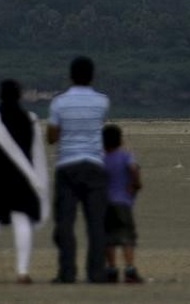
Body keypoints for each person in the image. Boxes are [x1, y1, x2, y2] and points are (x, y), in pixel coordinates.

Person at [0, 80, 48, 285]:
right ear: (19, 95)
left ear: (0, 95)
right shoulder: (30, 119)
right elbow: (35, 151)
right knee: (22, 220)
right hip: (22, 179)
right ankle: (23, 273)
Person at [47, 56, 110, 284]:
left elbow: (52, 137)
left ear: (71, 76)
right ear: (92, 76)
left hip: (67, 165)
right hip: (94, 164)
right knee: (96, 224)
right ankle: (96, 272)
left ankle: (67, 272)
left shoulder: (59, 103)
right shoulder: (102, 101)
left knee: (65, 223)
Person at [102, 124, 144, 284]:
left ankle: (112, 269)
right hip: (123, 202)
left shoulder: (101, 158)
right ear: (120, 140)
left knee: (109, 238)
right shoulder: (126, 156)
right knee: (127, 237)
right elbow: (133, 168)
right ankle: (129, 269)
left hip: (106, 202)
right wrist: (136, 184)